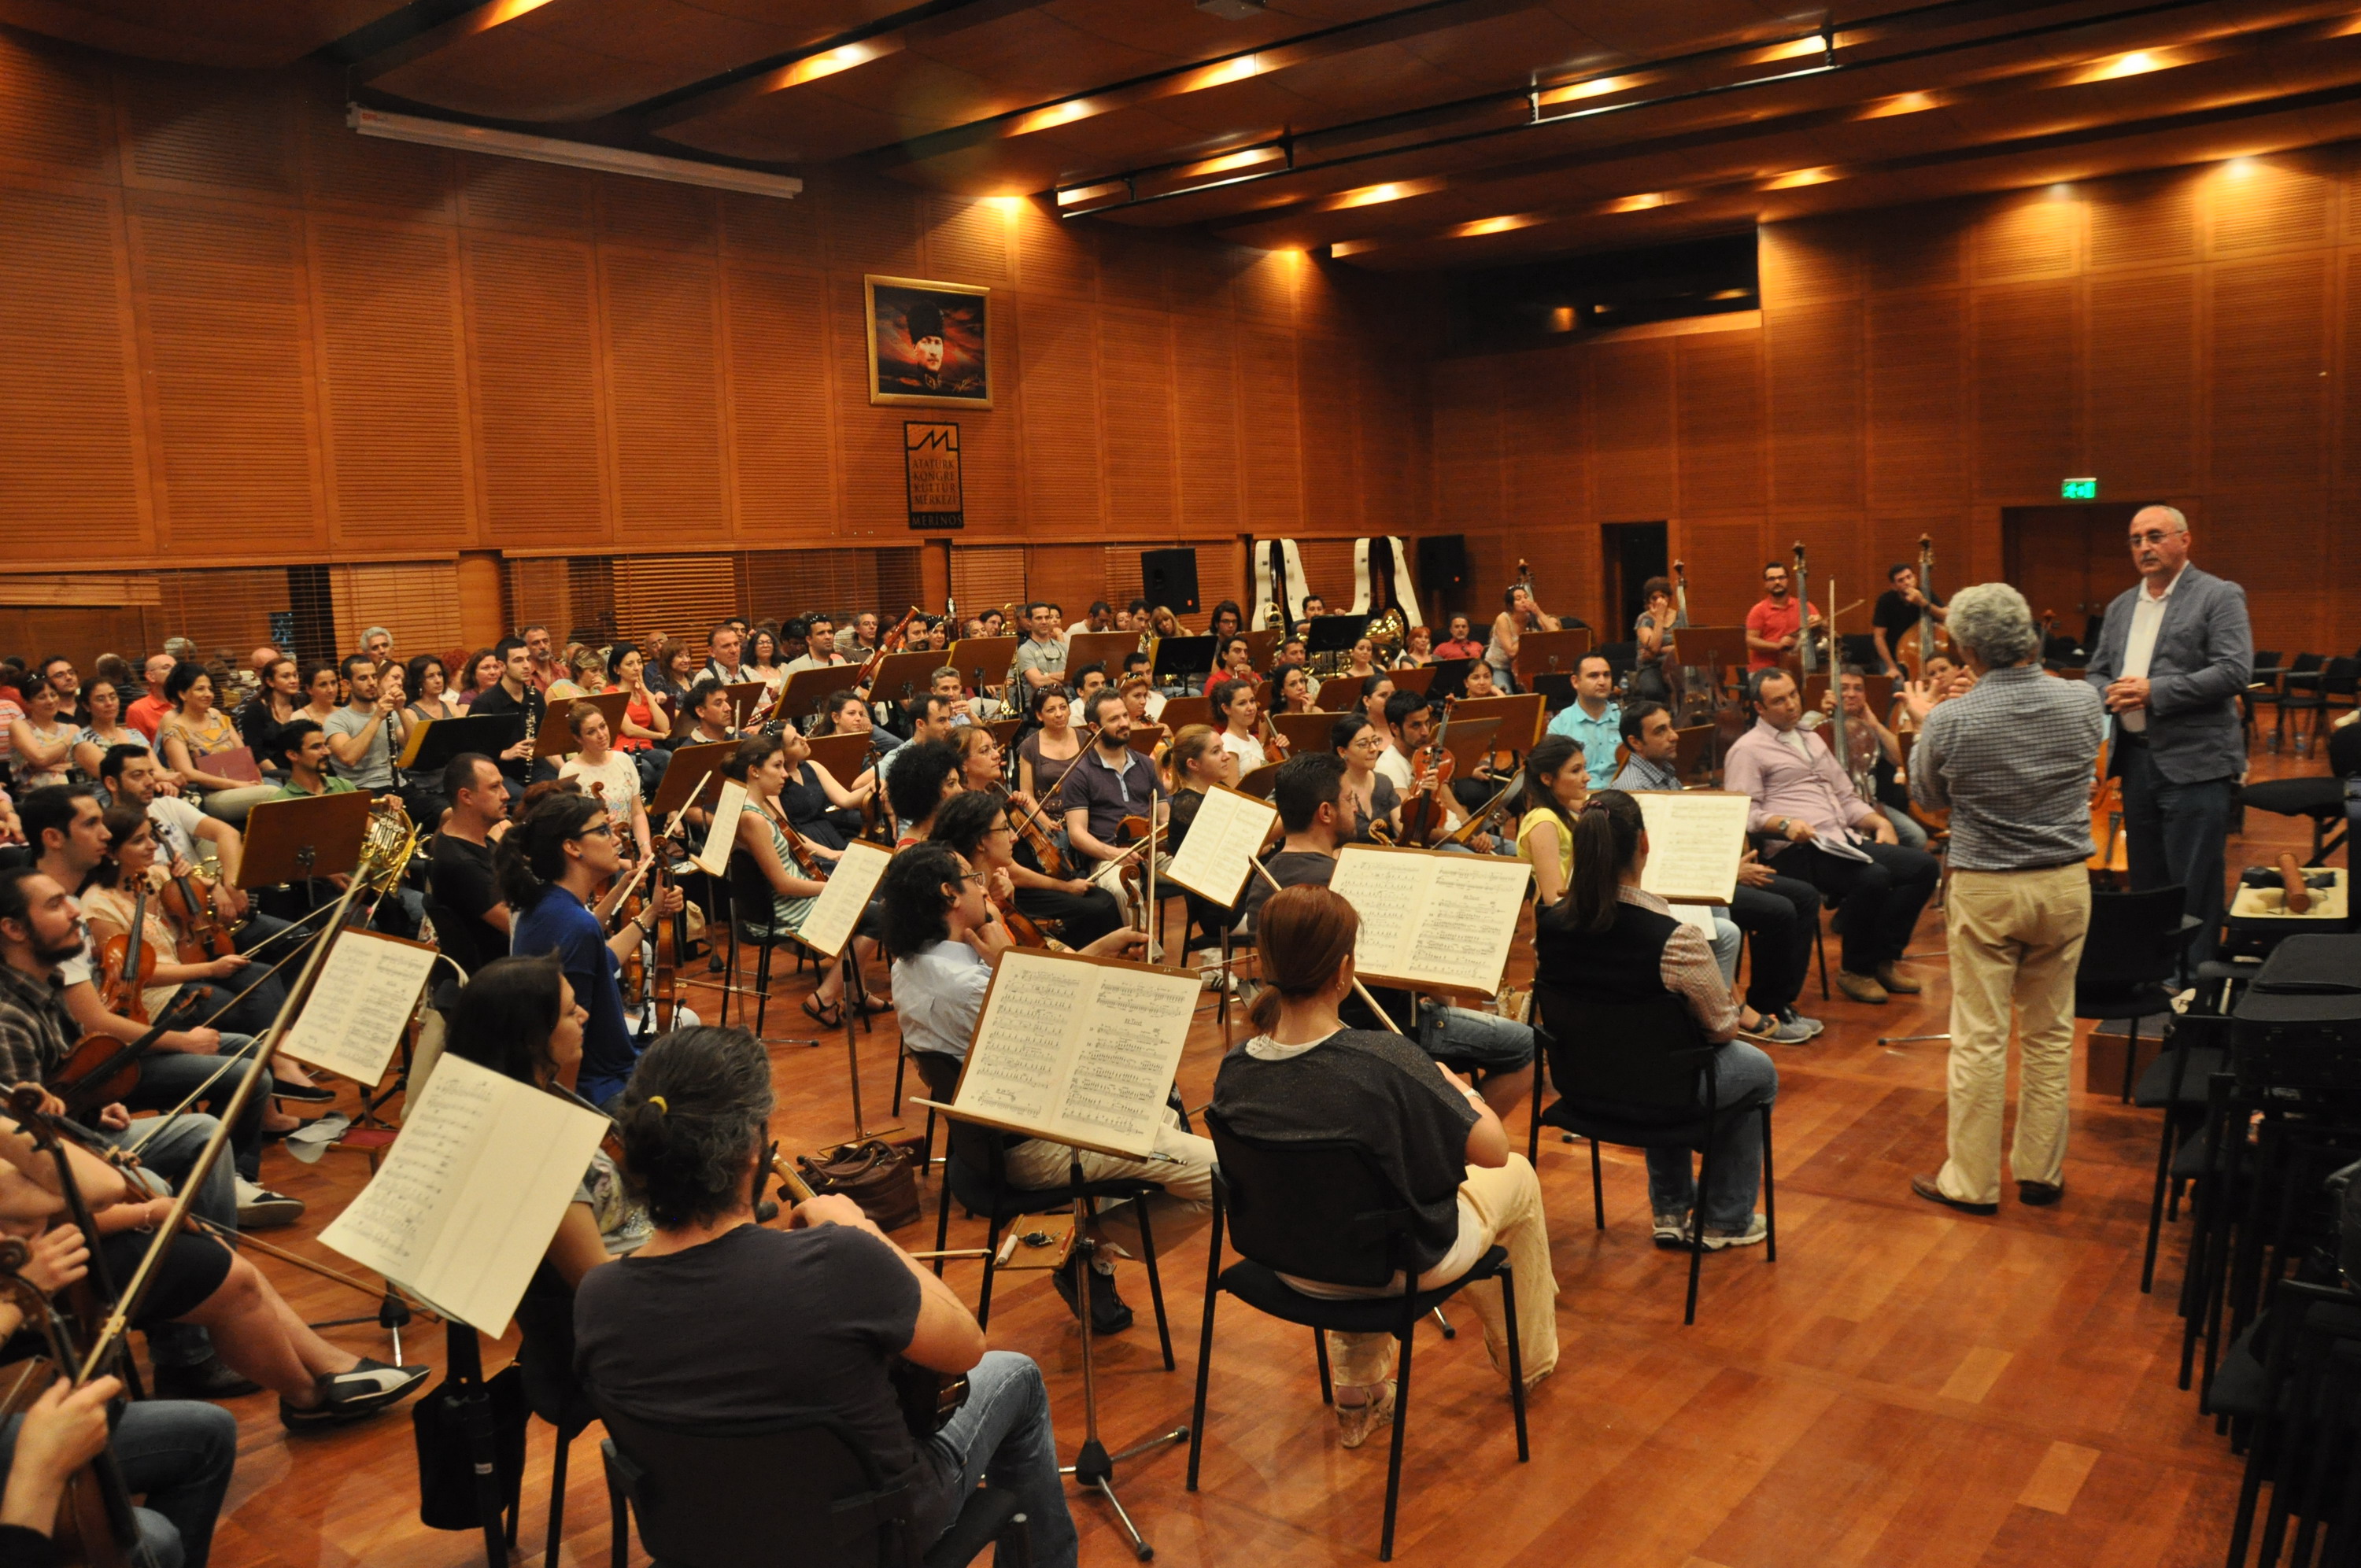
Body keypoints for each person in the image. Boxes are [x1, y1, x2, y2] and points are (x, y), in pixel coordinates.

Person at [572, 1025, 1080, 1566]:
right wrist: (864, 1230)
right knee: (1018, 1375)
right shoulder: (838, 1262)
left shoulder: (597, 1297)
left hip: (703, 1539)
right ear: (751, 1151)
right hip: (870, 1538)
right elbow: (966, 1347)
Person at [1211, 883, 1557, 1446]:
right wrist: (1458, 1090)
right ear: (1344, 971)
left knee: (1352, 1202)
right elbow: (1492, 1151)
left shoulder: (1234, 1069)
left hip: (1289, 1260)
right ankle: (1531, 1362)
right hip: (1394, 1264)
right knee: (1516, 1175)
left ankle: (1358, 1392)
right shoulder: (1386, 1061)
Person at [1904, 583, 2105, 1215]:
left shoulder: (1952, 717)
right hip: (2065, 883)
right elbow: (2086, 770)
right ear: (2027, 634)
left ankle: (1971, 1182)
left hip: (1987, 886)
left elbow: (1928, 798)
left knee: (1980, 1036)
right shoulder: (2082, 699)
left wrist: (1924, 724)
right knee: (2051, 1033)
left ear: (1967, 650)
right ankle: (2041, 1170)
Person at [1532, 791, 1778, 1251]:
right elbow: (1723, 1029)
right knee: (1754, 1069)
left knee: (1659, 1057)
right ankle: (1723, 1219)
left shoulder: (1549, 925)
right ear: (1643, 844)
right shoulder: (1676, 939)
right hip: (1657, 1090)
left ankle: (1670, 1207)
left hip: (1581, 1085)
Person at [1240, 754, 1535, 1110]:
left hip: (1298, 1024)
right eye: (1349, 799)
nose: (1356, 808)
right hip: (1382, 1027)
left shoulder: (1263, 878)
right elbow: (1425, 983)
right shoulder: (1351, 882)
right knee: (1524, 1045)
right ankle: (1455, 1136)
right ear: (1326, 812)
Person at [2082, 504, 2251, 968]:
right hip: (2135, 761)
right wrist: (2107, 692)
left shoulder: (2218, 595)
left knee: (2194, 881)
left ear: (2184, 539)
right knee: (2147, 880)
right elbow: (2096, 672)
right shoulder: (2121, 606)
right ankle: (2153, 976)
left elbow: (2233, 671)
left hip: (2196, 761)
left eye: (2155, 536)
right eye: (2136, 540)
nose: (2145, 547)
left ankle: (2196, 981)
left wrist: (2154, 692)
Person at [1724, 670, 1939, 1005]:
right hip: (1796, 848)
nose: (1791, 705)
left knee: (1923, 867)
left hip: (1839, 838)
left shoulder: (1811, 737)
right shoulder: (1747, 749)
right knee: (1873, 878)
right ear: (1759, 708)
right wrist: (1784, 824)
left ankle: (1882, 959)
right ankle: (1856, 970)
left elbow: (1846, 796)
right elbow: (1743, 812)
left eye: (1793, 695)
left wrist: (1878, 822)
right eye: (1779, 701)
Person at [1613, 703, 1823, 1041]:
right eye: (1661, 731)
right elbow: (1659, 864)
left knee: (1805, 896)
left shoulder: (1662, 772)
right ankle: (1755, 1007)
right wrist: (1727, 873)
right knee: (1781, 911)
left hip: (1703, 875)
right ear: (1635, 743)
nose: (1674, 736)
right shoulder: (1636, 789)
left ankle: (1779, 1002)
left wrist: (1726, 864)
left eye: (1670, 726)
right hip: (1678, 890)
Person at [441, 952, 649, 1285]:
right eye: (570, 1011)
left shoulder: (535, 1094)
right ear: (532, 1039)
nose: (584, 1015)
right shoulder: (532, 1143)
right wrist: (688, 1246)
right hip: (631, 1287)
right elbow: (592, 1273)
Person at [501, 788, 683, 1108]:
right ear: (572, 847)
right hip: (599, 1086)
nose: (615, 840)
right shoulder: (574, 923)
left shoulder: (542, 903)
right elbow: (569, 1042)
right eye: (602, 831)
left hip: (590, 1073)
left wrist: (652, 912)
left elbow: (601, 961)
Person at [726, 735, 877, 1028]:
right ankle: (824, 998)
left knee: (870, 905)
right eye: (777, 766)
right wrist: (833, 887)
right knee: (878, 917)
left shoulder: (761, 806)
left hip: (793, 898)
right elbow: (783, 884)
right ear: (754, 771)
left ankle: (857, 994)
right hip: (783, 909)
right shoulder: (753, 818)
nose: (785, 774)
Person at [1811, 666, 1923, 850]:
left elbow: (1901, 759)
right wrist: (1825, 717)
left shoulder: (1869, 727)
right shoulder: (1814, 720)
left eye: (1858, 689)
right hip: (1829, 805)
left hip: (1869, 802)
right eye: (1843, 688)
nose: (1851, 694)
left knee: (1916, 837)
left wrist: (1876, 725)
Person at [1059, 690, 1162, 877]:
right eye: (1114, 719)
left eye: (1125, 715)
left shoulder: (1147, 765)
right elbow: (1077, 835)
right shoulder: (1079, 773)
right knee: (1122, 886)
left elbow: (1165, 818)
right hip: (1106, 858)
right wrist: (1115, 854)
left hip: (1152, 852)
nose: (1124, 723)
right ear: (1094, 727)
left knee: (1198, 878)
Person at [426, 753, 511, 976]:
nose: (506, 795)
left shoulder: (475, 839)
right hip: (504, 975)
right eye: (495, 787)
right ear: (466, 796)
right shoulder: (461, 864)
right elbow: (521, 928)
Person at [558, 707, 650, 862]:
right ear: (578, 738)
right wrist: (620, 863)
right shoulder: (570, 772)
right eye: (591, 732)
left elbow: (637, 813)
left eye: (603, 726)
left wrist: (645, 848)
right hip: (594, 859)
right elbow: (577, 831)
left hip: (626, 849)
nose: (601, 735)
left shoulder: (624, 760)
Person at [469, 640, 549, 791]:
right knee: (524, 798)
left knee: (563, 790)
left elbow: (546, 743)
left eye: (528, 659)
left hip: (534, 770)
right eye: (518, 660)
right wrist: (504, 753)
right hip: (500, 774)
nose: (526, 665)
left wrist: (566, 770)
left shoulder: (535, 697)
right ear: (501, 666)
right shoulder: (484, 703)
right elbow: (471, 752)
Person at [1544, 653, 1622, 789]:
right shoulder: (1559, 725)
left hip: (1623, 793)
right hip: (1580, 796)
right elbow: (1555, 774)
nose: (1602, 682)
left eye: (1606, 675)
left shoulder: (1624, 717)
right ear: (1575, 682)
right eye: (1594, 676)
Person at [70, 678, 153, 788]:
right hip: (104, 796)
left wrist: (164, 781)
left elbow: (156, 769)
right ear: (86, 706)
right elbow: (116, 778)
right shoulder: (83, 740)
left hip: (147, 789)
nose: (109, 703)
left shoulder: (134, 734)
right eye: (100, 699)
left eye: (113, 697)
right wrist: (160, 779)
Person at [1332, 714, 1401, 844]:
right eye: (1363, 744)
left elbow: (1403, 828)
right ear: (1342, 752)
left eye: (1375, 741)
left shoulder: (1383, 783)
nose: (1374, 749)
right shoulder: (1333, 789)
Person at [1014, 687, 1084, 810]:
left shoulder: (1086, 738)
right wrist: (1047, 821)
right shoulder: (1029, 746)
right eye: (1051, 710)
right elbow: (1028, 796)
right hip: (1048, 815)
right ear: (1039, 715)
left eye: (1063, 707)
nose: (1059, 714)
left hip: (1087, 812)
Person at [1872, 561, 1946, 677]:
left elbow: (1946, 615)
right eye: (1901, 580)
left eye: (1909, 577)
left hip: (1923, 652)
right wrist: (1891, 667)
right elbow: (1879, 637)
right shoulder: (1886, 601)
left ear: (1915, 578)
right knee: (1896, 683)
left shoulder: (1925, 594)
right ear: (1894, 586)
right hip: (1893, 657)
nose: (1907, 582)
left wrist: (1923, 603)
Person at [1743, 560, 1820, 673]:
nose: (1777, 582)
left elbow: (1822, 629)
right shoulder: (1758, 610)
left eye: (1781, 577)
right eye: (1772, 579)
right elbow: (1750, 640)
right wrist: (1778, 645)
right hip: (1765, 670)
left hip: (1797, 667)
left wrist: (1819, 622)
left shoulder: (1804, 606)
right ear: (1766, 583)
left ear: (1787, 580)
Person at [1485, 583, 1558, 694]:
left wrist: (1538, 612)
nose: (1524, 601)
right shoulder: (1503, 619)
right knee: (1506, 694)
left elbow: (1556, 633)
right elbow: (1511, 652)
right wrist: (1526, 636)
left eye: (1526, 597)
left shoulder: (1532, 617)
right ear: (1511, 605)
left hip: (1523, 669)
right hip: (1500, 667)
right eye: (1518, 599)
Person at [1630, 576, 1685, 705]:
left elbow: (1684, 645)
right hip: (1651, 666)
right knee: (1653, 690)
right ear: (1648, 601)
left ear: (1669, 598)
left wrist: (1661, 650)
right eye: (1654, 598)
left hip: (1676, 665)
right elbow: (1654, 647)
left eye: (1663, 597)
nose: (1659, 601)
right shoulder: (1644, 619)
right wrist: (1659, 617)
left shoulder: (1679, 617)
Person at [1211, 677, 1265, 777]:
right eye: (1242, 703)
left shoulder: (1252, 739)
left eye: (1252, 701)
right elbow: (1232, 787)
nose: (1251, 708)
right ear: (1226, 709)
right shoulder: (1228, 746)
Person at [1009, 602, 1066, 695]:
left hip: (1067, 700)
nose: (1044, 622)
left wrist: (1045, 676)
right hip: (1040, 701)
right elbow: (1037, 682)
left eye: (1047, 617)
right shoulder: (1025, 650)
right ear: (1029, 622)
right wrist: (1062, 677)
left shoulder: (1064, 647)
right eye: (1039, 618)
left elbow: (1073, 678)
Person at [126, 654, 177, 742]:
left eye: (176, 667)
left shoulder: (189, 702)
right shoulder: (138, 710)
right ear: (151, 676)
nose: (175, 672)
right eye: (166, 668)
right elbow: (139, 747)